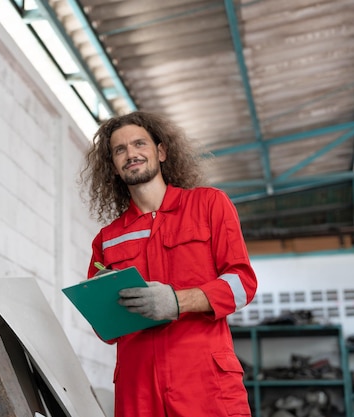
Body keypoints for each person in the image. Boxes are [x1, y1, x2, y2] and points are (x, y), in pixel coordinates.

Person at [79, 111, 258, 417]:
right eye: (119, 150)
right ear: (113, 167)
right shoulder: (107, 240)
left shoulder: (209, 205)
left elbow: (242, 285)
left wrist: (177, 301)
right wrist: (105, 305)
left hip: (205, 384)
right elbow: (105, 332)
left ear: (160, 152)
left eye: (139, 144)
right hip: (139, 391)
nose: (131, 154)